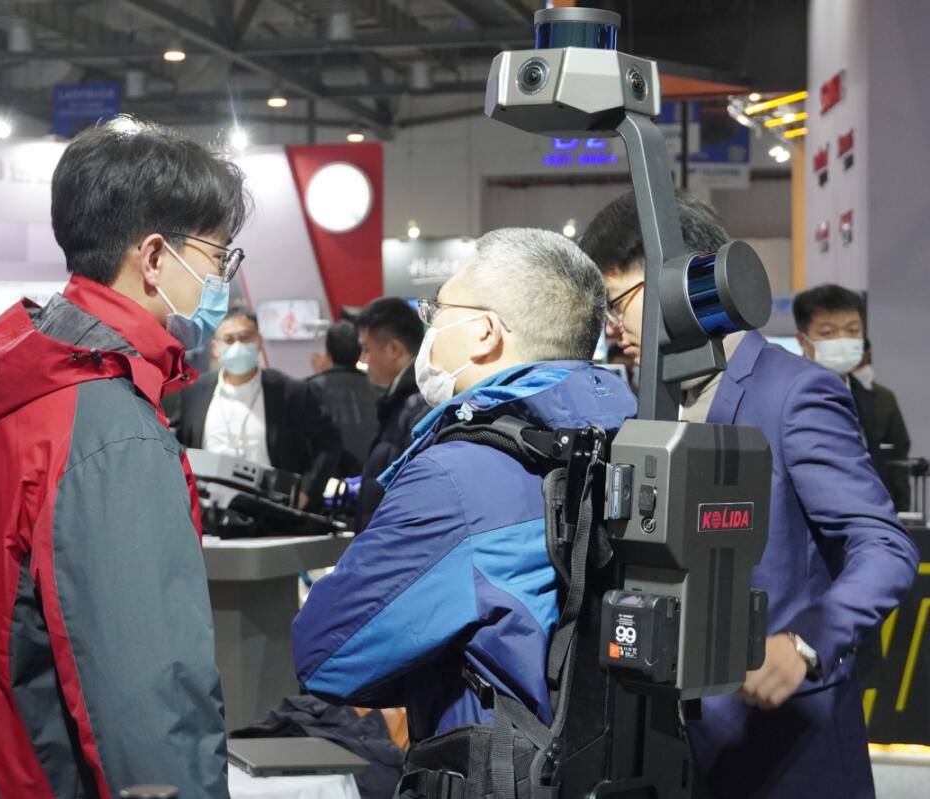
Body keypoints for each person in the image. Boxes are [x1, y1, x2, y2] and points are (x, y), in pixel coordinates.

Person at [0, 120, 249, 799]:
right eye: (218, 254)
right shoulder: (109, 426)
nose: (223, 277)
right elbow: (147, 696)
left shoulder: (1, 382)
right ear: (154, 256)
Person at [579, 190, 918, 799]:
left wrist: (804, 643)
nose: (613, 327)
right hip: (667, 747)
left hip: (784, 745)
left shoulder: (793, 394)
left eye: (619, 302)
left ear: (689, 283)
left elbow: (884, 547)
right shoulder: (648, 405)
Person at [292, 229, 636, 748]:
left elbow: (324, 652)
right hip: (605, 761)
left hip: (500, 770)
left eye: (437, 309)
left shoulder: (456, 477)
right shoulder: (626, 436)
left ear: (484, 333)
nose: (429, 326)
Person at [175, 307, 342, 508]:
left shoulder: (290, 392)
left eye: (245, 337)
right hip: (207, 509)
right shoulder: (195, 392)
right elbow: (175, 444)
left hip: (273, 510)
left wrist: (307, 491)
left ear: (259, 341)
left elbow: (330, 441)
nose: (237, 345)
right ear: (215, 347)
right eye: (228, 339)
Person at [793, 284, 911, 510]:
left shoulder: (874, 399)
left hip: (867, 515)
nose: (843, 339)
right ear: (802, 340)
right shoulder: (783, 395)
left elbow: (894, 471)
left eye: (853, 330)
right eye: (828, 333)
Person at [353, 298, 428, 531]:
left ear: (394, 349)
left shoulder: (417, 406)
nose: (362, 360)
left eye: (366, 349)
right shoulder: (404, 401)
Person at [307, 319, 380, 477]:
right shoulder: (378, 388)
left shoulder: (310, 388)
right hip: (371, 475)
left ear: (328, 352)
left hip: (326, 479)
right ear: (360, 351)